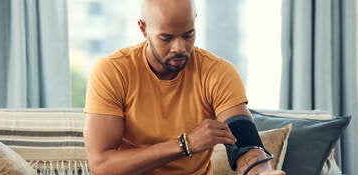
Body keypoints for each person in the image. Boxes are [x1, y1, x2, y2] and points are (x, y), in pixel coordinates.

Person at [83, 0, 286, 174]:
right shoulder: (113, 71)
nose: (179, 48)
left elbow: (245, 145)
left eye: (188, 35)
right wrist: (185, 144)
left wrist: (261, 171)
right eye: (166, 38)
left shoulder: (217, 72)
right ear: (143, 28)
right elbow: (102, 165)